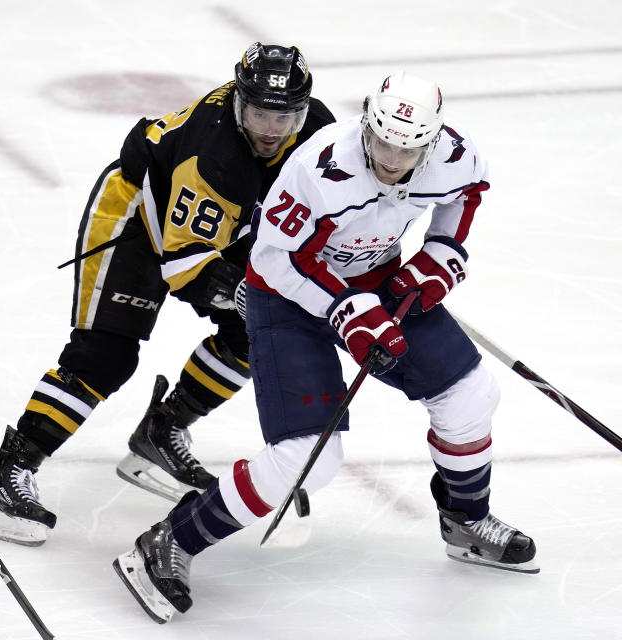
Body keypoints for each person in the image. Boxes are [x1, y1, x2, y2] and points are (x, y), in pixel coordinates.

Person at [114, 71, 539, 623]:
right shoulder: (319, 168)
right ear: (367, 121)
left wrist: (440, 253)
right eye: (383, 141)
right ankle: (170, 541)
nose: (391, 159)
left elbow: (465, 196)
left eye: (407, 149)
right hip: (286, 297)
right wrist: (345, 310)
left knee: (469, 394)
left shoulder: (454, 157)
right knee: (306, 458)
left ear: (431, 141)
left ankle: (465, 519)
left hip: (373, 275)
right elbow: (274, 260)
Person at [0, 43, 336, 546]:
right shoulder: (214, 158)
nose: (272, 130)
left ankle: (160, 433)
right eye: (258, 114)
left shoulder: (319, 130)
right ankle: (9, 470)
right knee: (105, 355)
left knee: (251, 337)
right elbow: (186, 268)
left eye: (285, 115)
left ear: (304, 106)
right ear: (238, 104)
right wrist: (257, 295)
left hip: (223, 224)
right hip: (136, 221)